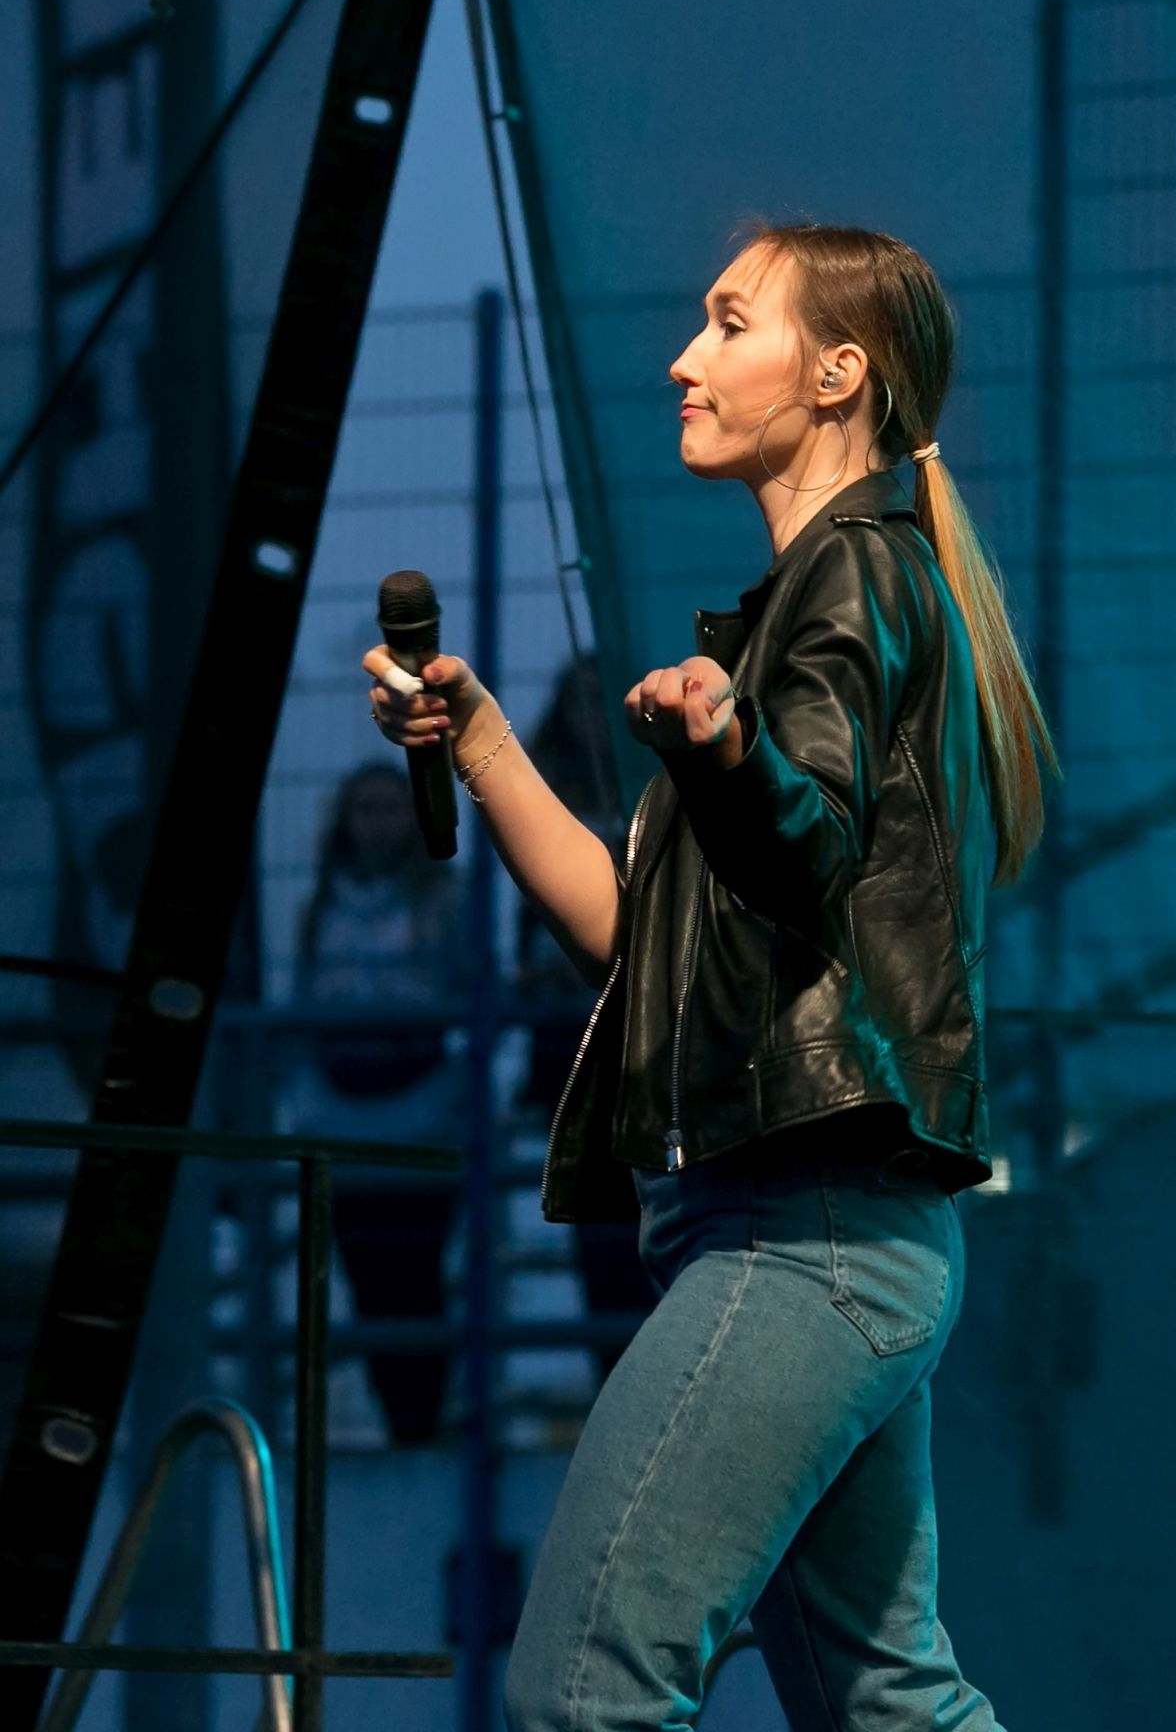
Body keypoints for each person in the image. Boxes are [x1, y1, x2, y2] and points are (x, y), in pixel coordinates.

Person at [364, 222, 1060, 1728]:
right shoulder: (834, 592)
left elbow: (799, 841)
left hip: (800, 1232)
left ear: (835, 374)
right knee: (889, 1703)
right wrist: (481, 742)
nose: (685, 358)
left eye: (731, 323)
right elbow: (640, 942)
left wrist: (729, 752)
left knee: (583, 1691)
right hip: (829, 1231)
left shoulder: (851, 574)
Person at [293, 759, 469, 1444]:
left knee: (417, 1274)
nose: (377, 824)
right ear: (344, 821)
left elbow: (468, 991)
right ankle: (401, 1420)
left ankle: (422, 1420)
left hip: (421, 1110)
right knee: (366, 1280)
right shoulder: (319, 908)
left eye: (391, 808)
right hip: (341, 1115)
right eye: (364, 809)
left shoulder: (444, 900)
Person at [512, 654, 654, 1385]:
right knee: (597, 1219)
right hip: (569, 1026)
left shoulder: (656, 787)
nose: (594, 719)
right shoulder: (543, 795)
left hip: (648, 1021)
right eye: (581, 703)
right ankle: (613, 1375)